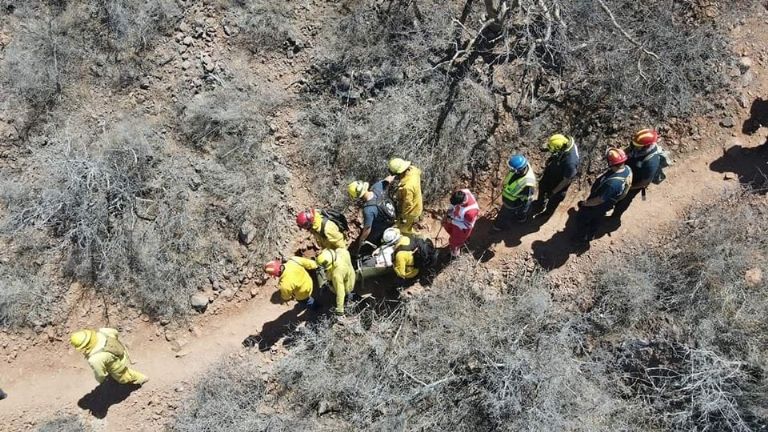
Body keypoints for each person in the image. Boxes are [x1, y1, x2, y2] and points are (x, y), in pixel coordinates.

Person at [573, 148, 633, 243]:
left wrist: (585, 203)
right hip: (606, 204)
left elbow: (599, 200)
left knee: (582, 219)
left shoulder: (613, 184)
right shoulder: (627, 169)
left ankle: (581, 238)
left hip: (598, 205)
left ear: (611, 163)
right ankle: (590, 234)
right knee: (597, 218)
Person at [610, 129, 662, 219]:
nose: (633, 146)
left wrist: (629, 188)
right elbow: (627, 150)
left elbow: (645, 182)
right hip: (626, 173)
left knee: (624, 201)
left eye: (637, 146)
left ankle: (615, 216)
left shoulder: (651, 162)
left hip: (634, 183)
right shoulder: (637, 146)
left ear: (646, 146)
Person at [70, 328, 148, 386]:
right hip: (121, 351)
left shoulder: (94, 359)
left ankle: (141, 379)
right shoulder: (103, 331)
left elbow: (100, 375)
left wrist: (102, 381)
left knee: (124, 377)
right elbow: (115, 332)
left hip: (117, 365)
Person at [534, 134, 580, 216]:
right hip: (554, 171)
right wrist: (553, 158)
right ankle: (540, 204)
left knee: (554, 199)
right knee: (542, 185)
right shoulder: (565, 141)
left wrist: (554, 192)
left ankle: (547, 213)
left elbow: (567, 180)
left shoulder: (571, 163)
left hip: (559, 182)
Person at [347, 180, 396, 255]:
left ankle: (366, 253)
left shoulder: (368, 210)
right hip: (393, 215)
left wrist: (361, 241)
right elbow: (388, 179)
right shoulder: (377, 187)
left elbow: (367, 229)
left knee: (369, 241)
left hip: (383, 226)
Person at [493, 154, 537, 231]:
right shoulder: (523, 166)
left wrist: (524, 209)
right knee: (511, 212)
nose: (511, 170)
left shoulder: (528, 182)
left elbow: (528, 199)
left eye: (513, 169)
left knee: (505, 214)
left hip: (513, 202)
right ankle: (520, 218)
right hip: (510, 199)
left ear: (519, 170)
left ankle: (498, 226)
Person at [387, 158, 422, 235]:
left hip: (412, 211)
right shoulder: (414, 170)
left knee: (403, 229)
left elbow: (408, 206)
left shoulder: (407, 187)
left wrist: (402, 218)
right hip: (417, 203)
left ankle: (412, 238)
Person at [316, 248, 356, 316]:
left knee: (346, 294)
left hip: (346, 286)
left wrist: (340, 309)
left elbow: (340, 292)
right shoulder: (341, 251)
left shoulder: (336, 274)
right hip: (351, 275)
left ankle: (349, 298)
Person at [442, 189, 480, 257]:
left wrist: (452, 221)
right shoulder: (462, 192)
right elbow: (452, 205)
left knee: (455, 243)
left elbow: (468, 226)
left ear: (461, 203)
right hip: (453, 220)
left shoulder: (471, 212)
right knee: (446, 226)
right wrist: (449, 211)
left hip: (462, 229)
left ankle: (454, 255)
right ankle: (464, 241)